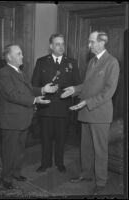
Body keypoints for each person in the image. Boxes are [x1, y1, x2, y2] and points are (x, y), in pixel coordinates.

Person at [61, 31, 120, 194]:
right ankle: (86, 174)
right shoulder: (92, 61)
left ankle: (101, 183)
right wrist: (74, 89)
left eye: (92, 42)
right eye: (89, 42)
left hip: (99, 113)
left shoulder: (112, 62)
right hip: (85, 111)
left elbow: (109, 92)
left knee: (100, 150)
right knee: (85, 147)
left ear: (101, 43)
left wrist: (88, 102)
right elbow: (86, 86)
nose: (89, 45)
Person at [0, 44, 58, 189]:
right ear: (9, 57)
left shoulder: (21, 72)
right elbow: (12, 95)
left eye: (21, 53)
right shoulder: (3, 73)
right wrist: (35, 100)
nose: (22, 56)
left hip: (23, 119)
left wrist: (43, 89)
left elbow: (29, 90)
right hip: (10, 120)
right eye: (18, 54)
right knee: (10, 151)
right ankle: (6, 178)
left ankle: (16, 173)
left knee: (19, 149)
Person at [32, 33, 80, 173]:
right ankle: (45, 163)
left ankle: (60, 162)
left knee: (61, 137)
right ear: (51, 46)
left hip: (64, 107)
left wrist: (74, 102)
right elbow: (34, 85)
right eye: (57, 44)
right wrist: (40, 93)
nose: (61, 47)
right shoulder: (41, 62)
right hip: (46, 106)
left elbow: (78, 85)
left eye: (63, 44)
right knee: (45, 137)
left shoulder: (72, 62)